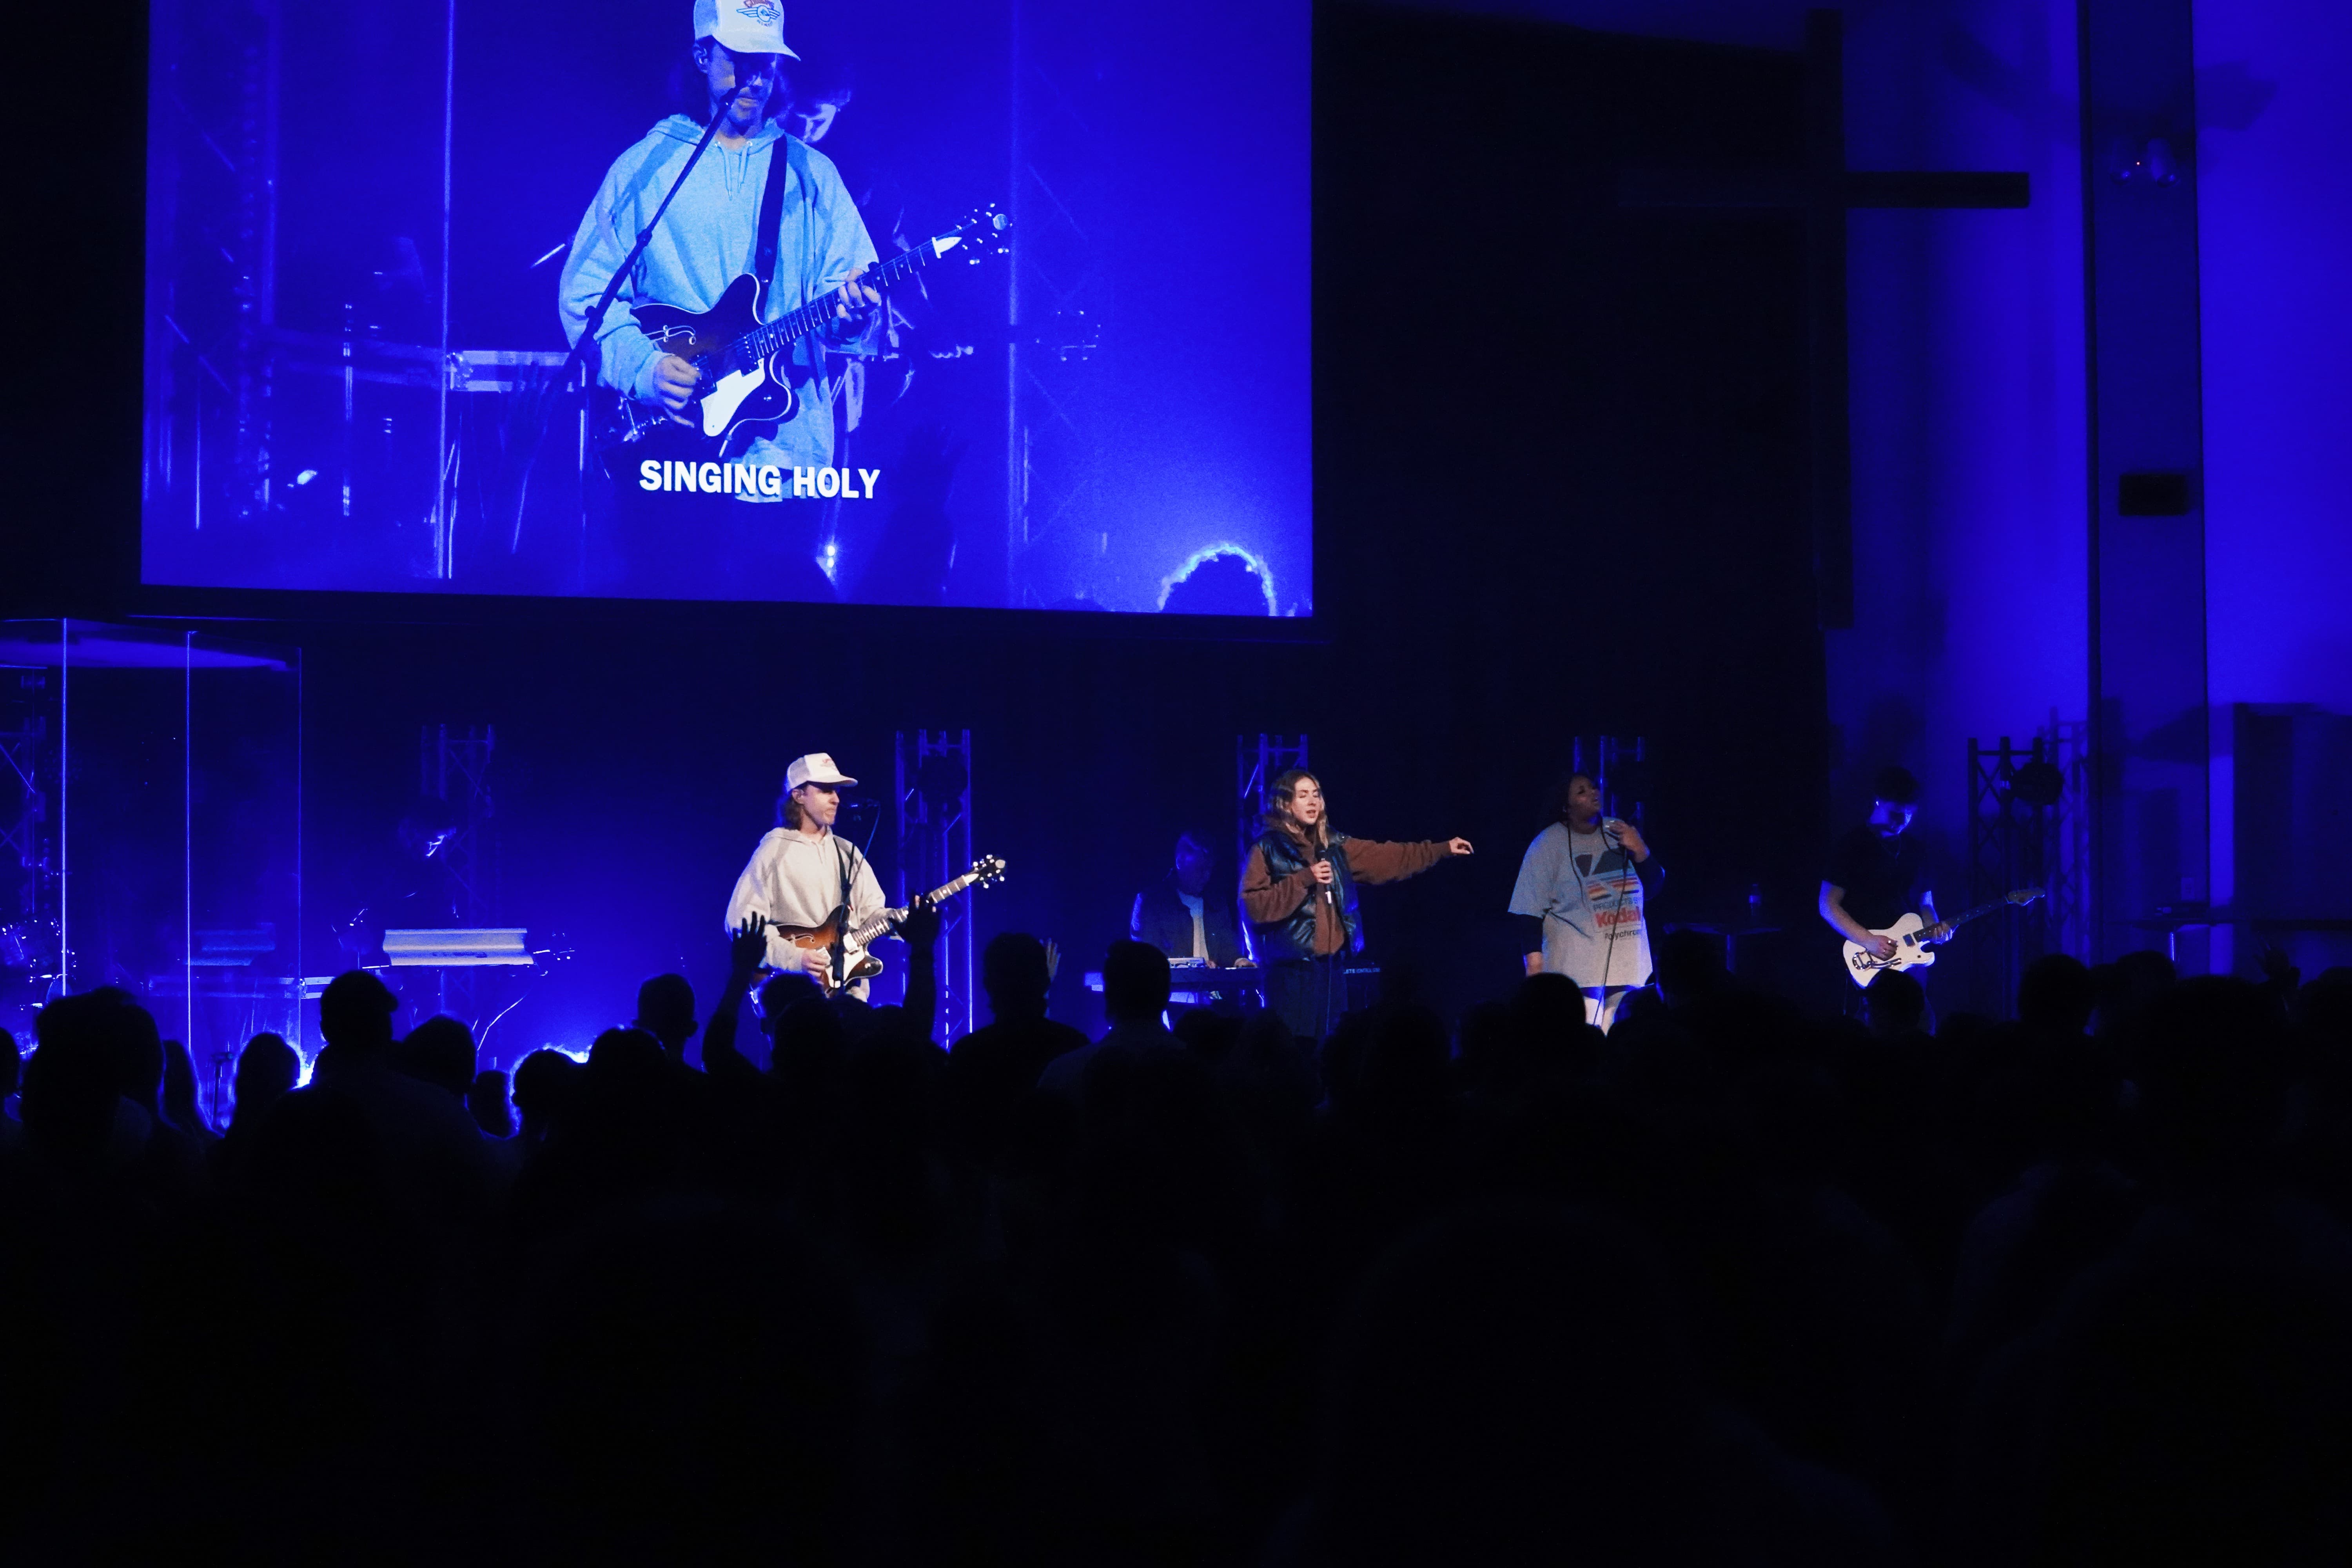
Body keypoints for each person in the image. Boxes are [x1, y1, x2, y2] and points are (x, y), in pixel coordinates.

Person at [560, 0, 882, 595]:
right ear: (702, 56)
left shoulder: (815, 176)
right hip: (673, 457)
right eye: (739, 60)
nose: (755, 78)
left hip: (784, 462)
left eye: (767, 64)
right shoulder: (646, 166)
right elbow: (587, 294)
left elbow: (847, 311)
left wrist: (853, 316)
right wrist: (645, 368)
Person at [1240, 769, 1472, 1042]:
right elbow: (1253, 906)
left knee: (1332, 1046)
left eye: (1316, 795)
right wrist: (1304, 880)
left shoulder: (1333, 846)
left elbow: (1388, 858)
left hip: (1332, 971)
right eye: (1303, 796)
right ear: (1285, 804)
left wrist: (1441, 849)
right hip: (1291, 973)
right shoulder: (1267, 849)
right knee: (1294, 1049)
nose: (1313, 801)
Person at [724, 752, 891, 996]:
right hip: (792, 993)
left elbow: (871, 913)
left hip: (850, 994)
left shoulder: (848, 853)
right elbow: (742, 924)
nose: (836, 799)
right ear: (798, 795)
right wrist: (795, 958)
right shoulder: (774, 851)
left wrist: (901, 920)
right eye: (825, 790)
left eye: (836, 791)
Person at [1508, 772, 1662, 1031]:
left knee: (1622, 1037)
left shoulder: (1619, 831)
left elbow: (1654, 888)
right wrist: (1535, 969)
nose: (1593, 793)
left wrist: (1640, 849)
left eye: (1593, 787)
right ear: (1566, 807)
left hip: (1628, 964)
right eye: (1582, 791)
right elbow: (1529, 910)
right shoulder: (1547, 844)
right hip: (1576, 971)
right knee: (1581, 1039)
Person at [1819, 766, 1949, 1009]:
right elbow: (1827, 904)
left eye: (1909, 814)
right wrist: (1868, 940)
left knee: (1918, 1016)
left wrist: (1934, 926)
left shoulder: (1916, 849)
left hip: (1910, 954)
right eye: (1895, 813)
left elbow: (1925, 902)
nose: (1902, 822)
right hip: (1867, 955)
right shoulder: (1851, 846)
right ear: (1878, 801)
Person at [1131, 828, 1243, 968]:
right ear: (1181, 862)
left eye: (1210, 869)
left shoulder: (1217, 903)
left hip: (1211, 983)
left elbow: (1227, 947)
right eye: (1201, 869)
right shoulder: (1150, 902)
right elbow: (1146, 956)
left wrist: (1239, 961)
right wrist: (1193, 967)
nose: (1207, 876)